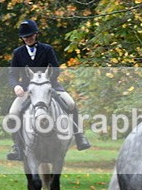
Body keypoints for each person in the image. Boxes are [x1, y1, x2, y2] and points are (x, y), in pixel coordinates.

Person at [6, 19, 91, 161]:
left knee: (70, 103)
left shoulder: (47, 49)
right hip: (27, 89)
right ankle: (17, 146)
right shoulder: (18, 52)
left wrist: (46, 80)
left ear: (36, 34)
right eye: (25, 37)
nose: (28, 39)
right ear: (22, 38)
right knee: (13, 112)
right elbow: (12, 74)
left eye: (30, 36)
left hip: (49, 85)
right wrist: (16, 86)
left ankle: (79, 136)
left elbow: (56, 69)